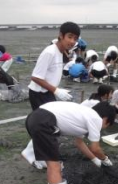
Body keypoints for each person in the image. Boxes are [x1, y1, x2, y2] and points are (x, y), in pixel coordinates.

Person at [25, 101, 116, 184]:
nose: (103, 128)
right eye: (107, 125)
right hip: (44, 122)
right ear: (105, 119)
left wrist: (95, 160)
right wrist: (105, 159)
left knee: (51, 160)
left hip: (34, 117)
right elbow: (95, 148)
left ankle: (29, 153)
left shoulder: (84, 114)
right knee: (54, 166)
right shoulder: (96, 119)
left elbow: (79, 143)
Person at [22, 22, 81, 170]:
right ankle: (36, 156)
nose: (72, 41)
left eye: (75, 38)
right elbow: (35, 77)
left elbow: (50, 74)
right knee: (46, 128)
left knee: (50, 127)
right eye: (69, 37)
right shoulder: (49, 52)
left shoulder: (61, 52)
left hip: (48, 93)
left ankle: (34, 153)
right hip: (38, 94)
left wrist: (56, 90)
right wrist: (56, 90)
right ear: (60, 36)